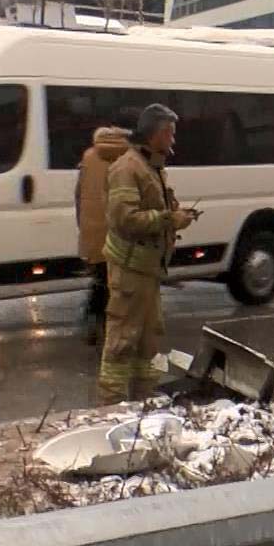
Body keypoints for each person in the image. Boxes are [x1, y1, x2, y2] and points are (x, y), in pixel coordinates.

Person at [98, 103, 198, 404]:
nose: (172, 140)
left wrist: (176, 213)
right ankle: (110, 406)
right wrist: (170, 220)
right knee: (122, 340)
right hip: (130, 271)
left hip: (148, 270)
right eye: (169, 133)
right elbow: (125, 219)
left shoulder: (152, 167)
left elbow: (155, 207)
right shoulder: (128, 168)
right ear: (154, 134)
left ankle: (144, 400)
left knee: (148, 340)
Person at [74, 123, 131, 345]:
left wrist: (84, 226)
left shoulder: (88, 157)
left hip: (92, 233)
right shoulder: (131, 159)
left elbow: (78, 197)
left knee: (100, 280)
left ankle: (92, 319)